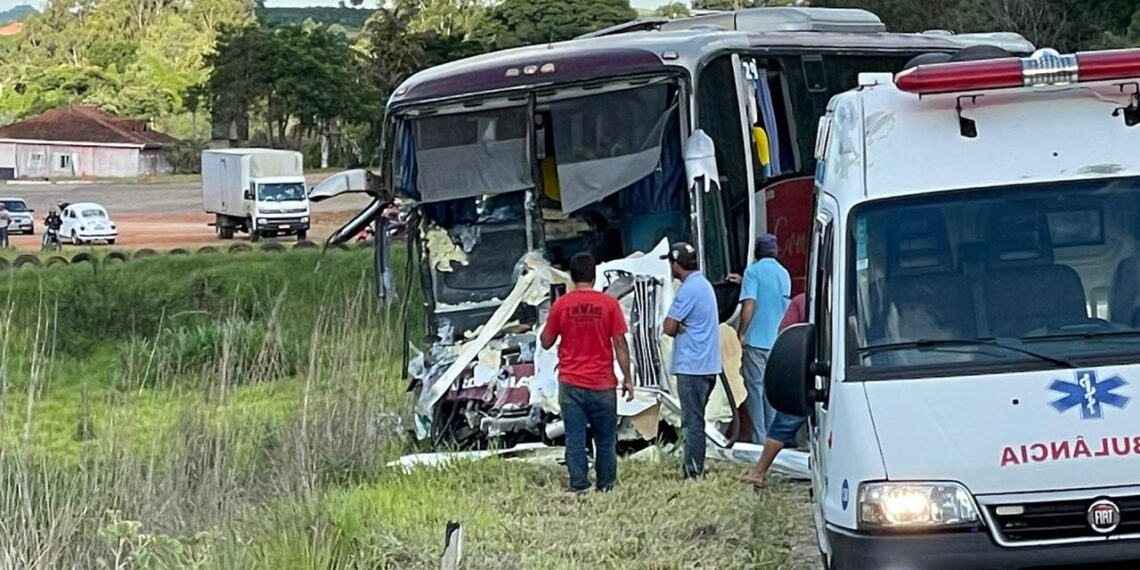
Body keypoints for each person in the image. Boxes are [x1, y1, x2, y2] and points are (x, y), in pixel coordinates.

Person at [540, 252, 634, 493]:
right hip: (603, 384)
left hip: (571, 384)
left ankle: (579, 484)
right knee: (605, 440)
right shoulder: (609, 305)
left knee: (575, 438)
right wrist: (628, 379)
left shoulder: (561, 305)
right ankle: (606, 485)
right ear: (594, 276)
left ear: (572, 276)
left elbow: (546, 342)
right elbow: (620, 344)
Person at [661, 242, 722, 479]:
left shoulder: (687, 290)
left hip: (692, 367)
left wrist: (677, 325)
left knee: (692, 423)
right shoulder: (703, 285)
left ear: (676, 264)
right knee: (696, 420)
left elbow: (668, 327)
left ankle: (693, 471)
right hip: (707, 366)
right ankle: (695, 466)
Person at [741, 292, 807, 487]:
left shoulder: (801, 301)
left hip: (803, 369)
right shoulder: (847, 299)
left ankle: (759, 471)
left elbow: (785, 333)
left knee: (783, 418)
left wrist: (741, 332)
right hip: (838, 372)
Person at [737, 234, 791, 445]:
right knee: (771, 393)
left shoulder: (753, 272)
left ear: (756, 252)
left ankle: (758, 440)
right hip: (777, 342)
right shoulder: (783, 273)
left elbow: (749, 304)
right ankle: (773, 440)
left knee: (755, 390)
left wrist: (742, 332)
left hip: (756, 341)